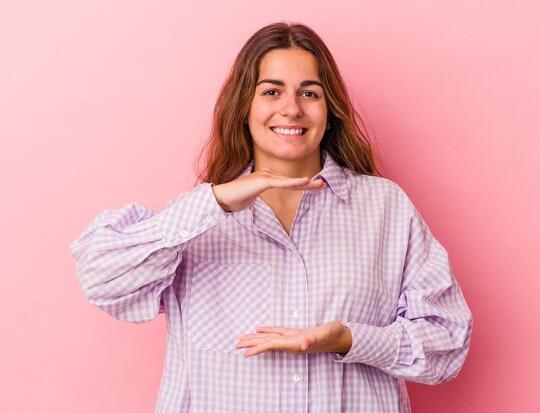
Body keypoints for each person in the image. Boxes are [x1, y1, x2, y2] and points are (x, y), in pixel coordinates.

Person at [70, 22, 473, 413]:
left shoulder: (385, 208)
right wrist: (217, 203)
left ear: (329, 110)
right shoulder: (195, 218)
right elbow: (101, 280)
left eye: (309, 93)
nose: (291, 109)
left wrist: (350, 340)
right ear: (244, 106)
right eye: (272, 91)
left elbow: (448, 342)